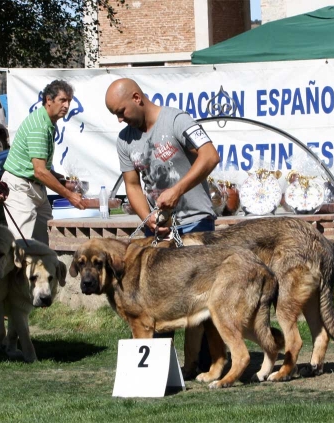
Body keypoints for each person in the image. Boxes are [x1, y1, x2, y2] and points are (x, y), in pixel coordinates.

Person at [105, 77, 220, 368]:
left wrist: (177, 190)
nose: (119, 119)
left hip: (195, 223)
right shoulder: (125, 140)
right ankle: (165, 370)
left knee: (202, 301)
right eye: (114, 115)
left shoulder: (177, 120)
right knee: (160, 301)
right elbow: (132, 185)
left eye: (121, 111)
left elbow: (210, 156)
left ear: (137, 98)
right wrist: (150, 219)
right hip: (160, 230)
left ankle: (208, 365)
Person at [1, 79, 85, 245]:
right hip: (20, 188)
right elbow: (39, 171)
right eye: (62, 100)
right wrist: (70, 196)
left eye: (69, 101)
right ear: (49, 100)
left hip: (34, 186)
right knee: (22, 245)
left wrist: (63, 181)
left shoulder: (47, 122)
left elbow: (41, 168)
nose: (67, 106)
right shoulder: (39, 126)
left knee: (46, 243)